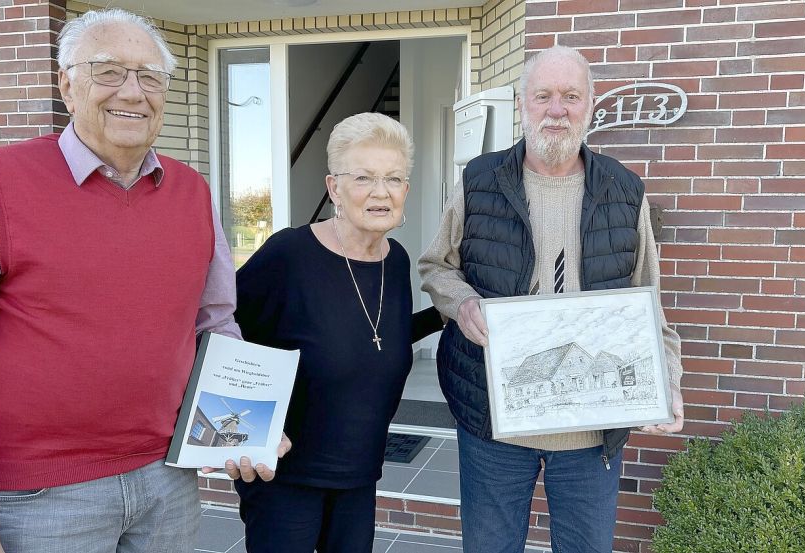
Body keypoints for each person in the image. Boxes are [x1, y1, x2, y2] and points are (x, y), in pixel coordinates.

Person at [0, 8, 285, 553]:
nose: (133, 91)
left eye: (149, 76)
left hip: (167, 480)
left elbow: (214, 323)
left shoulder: (192, 191)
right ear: (66, 86)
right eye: (107, 71)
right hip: (40, 495)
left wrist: (243, 426)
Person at [418, 45, 685, 553]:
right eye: (543, 96)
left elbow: (649, 305)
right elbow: (436, 266)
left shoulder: (625, 192)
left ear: (590, 105)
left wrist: (668, 382)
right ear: (523, 103)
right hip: (494, 421)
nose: (556, 110)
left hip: (591, 433)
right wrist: (463, 304)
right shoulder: (479, 181)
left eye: (570, 96)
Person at [233, 112, 442, 553]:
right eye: (364, 178)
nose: (381, 192)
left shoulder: (396, 259)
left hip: (360, 474)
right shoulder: (289, 256)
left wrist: (445, 315)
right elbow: (220, 330)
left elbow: (373, 337)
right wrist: (242, 429)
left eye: (394, 178)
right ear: (334, 188)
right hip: (286, 476)